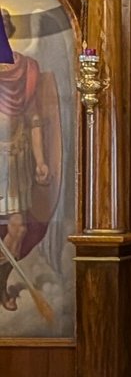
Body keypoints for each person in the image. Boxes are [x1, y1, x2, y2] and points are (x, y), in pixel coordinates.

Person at [0, 38, 57, 314]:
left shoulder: (24, 70)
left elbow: (34, 120)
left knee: (18, 229)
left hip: (14, 163)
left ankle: (1, 283)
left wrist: (41, 161)